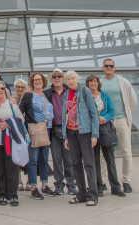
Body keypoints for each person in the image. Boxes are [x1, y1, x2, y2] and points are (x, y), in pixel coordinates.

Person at [62, 70, 99, 206]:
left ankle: (93, 195)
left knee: (89, 163)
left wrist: (94, 134)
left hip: (85, 131)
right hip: (71, 132)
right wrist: (65, 136)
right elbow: (64, 115)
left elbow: (93, 113)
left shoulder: (85, 91)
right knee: (76, 163)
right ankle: (81, 194)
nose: (71, 81)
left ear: (77, 79)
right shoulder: (66, 94)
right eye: (68, 79)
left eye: (73, 78)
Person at [86, 74, 126, 197]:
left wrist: (104, 118)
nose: (93, 84)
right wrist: (95, 119)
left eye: (95, 81)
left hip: (105, 129)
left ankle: (115, 186)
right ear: (87, 84)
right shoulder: (85, 96)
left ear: (98, 83)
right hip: (92, 131)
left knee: (110, 159)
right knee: (95, 160)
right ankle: (99, 186)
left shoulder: (105, 96)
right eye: (91, 82)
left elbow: (111, 111)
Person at [101, 58, 137, 193]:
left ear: (114, 68)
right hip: (107, 121)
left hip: (122, 119)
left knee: (126, 151)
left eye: (111, 66)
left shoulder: (123, 81)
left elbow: (132, 100)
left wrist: (125, 113)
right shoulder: (101, 83)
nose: (109, 67)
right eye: (106, 66)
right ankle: (103, 180)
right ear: (103, 68)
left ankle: (126, 181)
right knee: (104, 152)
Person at [19, 73, 56, 200]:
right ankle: (33, 187)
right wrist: (25, 128)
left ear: (43, 81)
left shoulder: (47, 94)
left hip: (47, 129)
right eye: (35, 80)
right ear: (32, 82)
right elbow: (20, 111)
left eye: (39, 80)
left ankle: (45, 185)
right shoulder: (28, 95)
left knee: (44, 159)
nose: (37, 82)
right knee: (33, 159)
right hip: (34, 129)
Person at [0, 80, 24, 206]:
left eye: (2, 88)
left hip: (10, 141)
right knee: (0, 170)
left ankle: (13, 195)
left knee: (12, 169)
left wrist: (8, 123)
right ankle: (2, 194)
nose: (0, 90)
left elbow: (21, 119)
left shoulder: (11, 105)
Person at [44, 68, 77, 195]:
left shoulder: (70, 92)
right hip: (54, 130)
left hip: (68, 130)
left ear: (63, 79)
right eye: (54, 76)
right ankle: (59, 184)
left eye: (59, 76)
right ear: (51, 79)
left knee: (69, 159)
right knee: (56, 158)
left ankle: (71, 184)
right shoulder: (47, 93)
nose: (57, 78)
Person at [13, 78, 30, 191]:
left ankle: (29, 180)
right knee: (17, 155)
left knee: (29, 156)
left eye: (22, 87)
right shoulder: (12, 100)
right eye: (18, 87)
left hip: (28, 130)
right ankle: (18, 180)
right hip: (17, 130)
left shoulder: (28, 98)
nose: (20, 89)